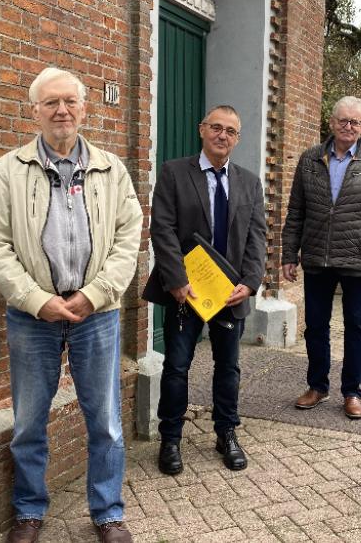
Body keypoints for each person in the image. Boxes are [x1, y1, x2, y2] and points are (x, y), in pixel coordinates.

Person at [0, 67, 142, 543]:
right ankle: (29, 510)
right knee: (29, 421)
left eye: (70, 101)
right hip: (33, 318)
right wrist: (36, 300)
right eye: (50, 102)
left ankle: (109, 512)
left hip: (98, 316)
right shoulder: (9, 169)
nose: (61, 110)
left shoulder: (112, 170)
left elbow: (129, 241)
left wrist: (94, 295)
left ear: (84, 108)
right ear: (34, 111)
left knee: (106, 421)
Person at [143, 105, 268, 474]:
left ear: (237, 138)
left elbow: (256, 237)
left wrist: (251, 282)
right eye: (216, 127)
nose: (222, 135)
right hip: (187, 294)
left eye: (231, 130)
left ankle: (226, 433)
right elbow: (162, 229)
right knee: (177, 367)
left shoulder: (249, 182)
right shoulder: (174, 173)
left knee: (228, 367)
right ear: (202, 130)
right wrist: (177, 281)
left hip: (231, 295)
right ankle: (171, 439)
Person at [282, 96, 361, 419]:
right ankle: (317, 386)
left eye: (355, 122)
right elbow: (296, 211)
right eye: (343, 121)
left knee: (357, 327)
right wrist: (288, 255)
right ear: (331, 122)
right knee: (315, 327)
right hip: (317, 258)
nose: (348, 127)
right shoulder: (310, 159)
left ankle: (352, 392)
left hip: (358, 259)